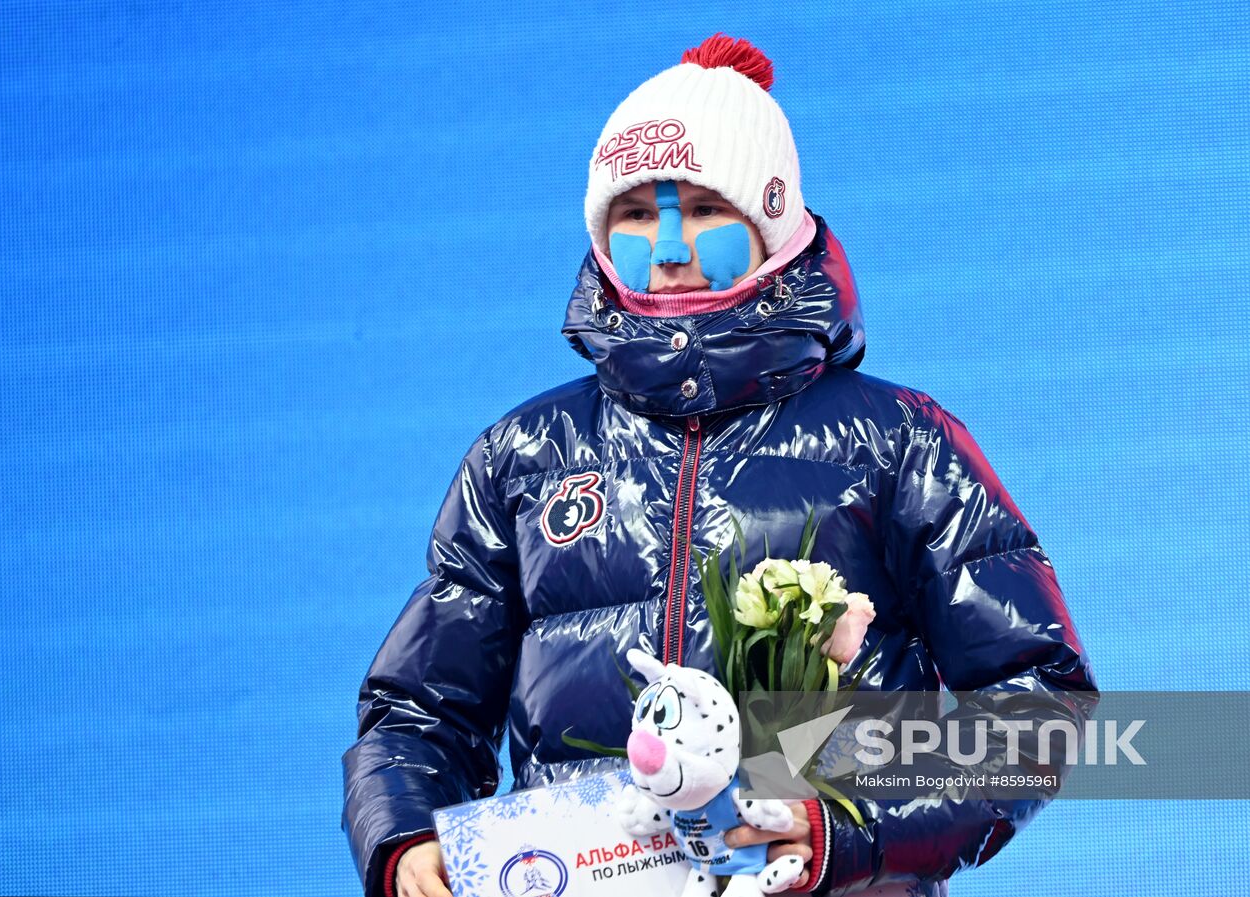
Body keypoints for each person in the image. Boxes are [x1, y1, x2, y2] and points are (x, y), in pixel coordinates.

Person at [342, 34, 1098, 897]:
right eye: (634, 213)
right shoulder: (524, 457)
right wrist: (405, 839)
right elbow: (416, 713)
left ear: (771, 217)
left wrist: (848, 828)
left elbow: (1037, 706)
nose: (667, 246)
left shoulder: (894, 438)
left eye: (703, 207)